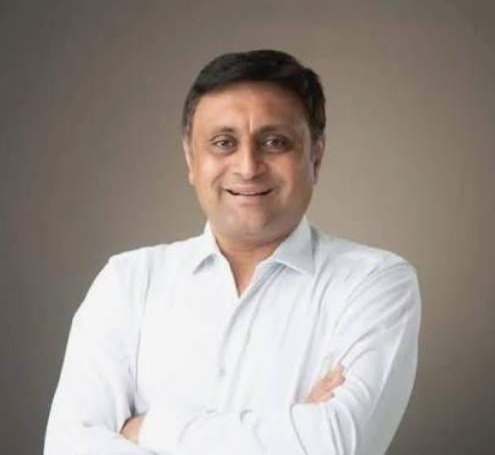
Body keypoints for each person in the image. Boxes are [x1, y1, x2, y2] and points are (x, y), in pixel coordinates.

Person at [44, 49, 421, 455]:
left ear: (316, 155)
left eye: (274, 142)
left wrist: (148, 429)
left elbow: (335, 444)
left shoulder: (373, 283)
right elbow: (67, 447)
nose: (248, 167)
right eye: (223, 143)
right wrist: (294, 430)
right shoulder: (128, 281)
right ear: (191, 159)